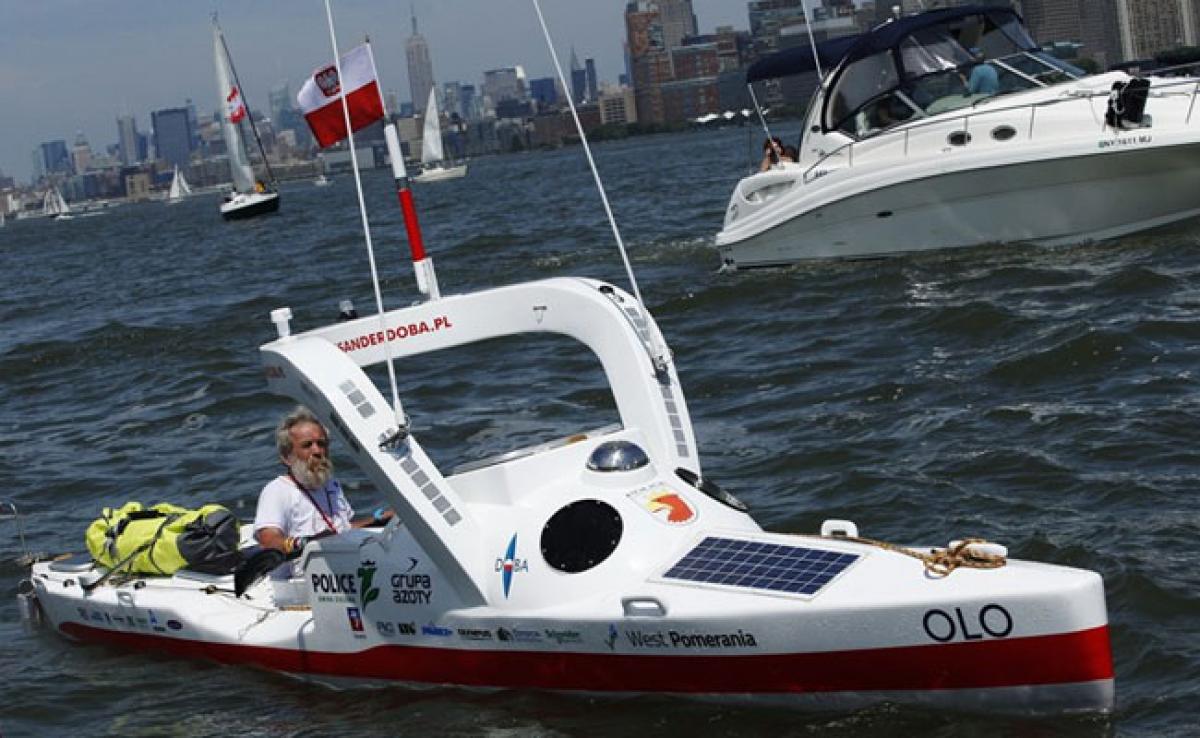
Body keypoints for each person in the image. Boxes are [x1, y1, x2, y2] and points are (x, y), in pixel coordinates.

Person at [254, 406, 393, 559]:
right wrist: (306, 543)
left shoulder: (330, 484)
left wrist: (380, 519)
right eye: (307, 445)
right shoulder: (277, 490)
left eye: (322, 444)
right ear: (287, 457)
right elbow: (268, 541)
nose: (318, 451)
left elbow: (343, 529)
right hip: (300, 576)